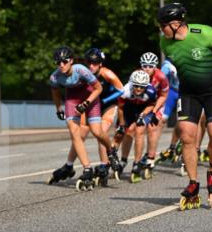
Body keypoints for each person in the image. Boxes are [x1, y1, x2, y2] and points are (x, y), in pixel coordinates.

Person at [158, 2, 212, 208]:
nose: (160, 29)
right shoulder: (166, 43)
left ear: (174, 24)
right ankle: (193, 183)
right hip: (189, 92)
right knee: (186, 135)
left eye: (162, 25)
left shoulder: (204, 33)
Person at [48, 46, 119, 188]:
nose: (61, 65)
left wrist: (86, 103)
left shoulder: (81, 69)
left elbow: (98, 88)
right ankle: (87, 168)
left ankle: (110, 151)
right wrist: (58, 108)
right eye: (58, 62)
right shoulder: (55, 77)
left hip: (90, 97)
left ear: (71, 61)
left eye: (64, 61)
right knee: (75, 134)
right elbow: (55, 92)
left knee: (97, 131)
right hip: (72, 99)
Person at [113, 70, 166, 181]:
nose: (138, 89)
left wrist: (143, 115)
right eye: (136, 86)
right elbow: (121, 108)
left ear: (146, 86)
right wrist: (122, 124)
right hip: (129, 107)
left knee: (139, 130)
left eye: (141, 87)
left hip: (144, 108)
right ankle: (123, 160)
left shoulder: (151, 91)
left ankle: (136, 163)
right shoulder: (126, 91)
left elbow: (152, 105)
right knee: (127, 131)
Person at [137, 52, 170, 172]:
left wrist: (155, 111)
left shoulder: (161, 76)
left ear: (155, 66)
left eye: (150, 66)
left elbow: (164, 95)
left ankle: (150, 157)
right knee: (138, 128)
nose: (147, 69)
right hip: (143, 102)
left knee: (152, 127)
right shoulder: (137, 75)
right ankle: (138, 159)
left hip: (157, 101)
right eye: (144, 66)